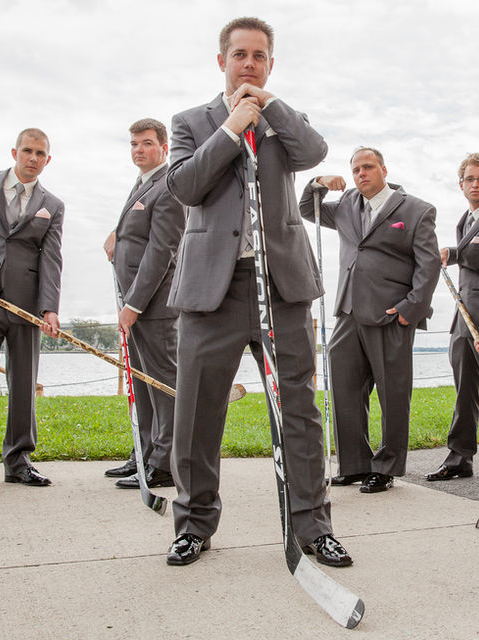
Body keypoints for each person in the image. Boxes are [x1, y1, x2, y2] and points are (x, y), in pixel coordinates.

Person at [165, 16, 352, 568]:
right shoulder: (189, 122)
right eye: (240, 54)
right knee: (196, 413)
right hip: (211, 291)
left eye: (260, 56)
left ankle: (314, 526)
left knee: (297, 407)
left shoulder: (283, 122)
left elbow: (314, 151)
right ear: (221, 60)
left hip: (282, 286)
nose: (249, 63)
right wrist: (229, 129)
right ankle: (194, 523)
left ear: (270, 64)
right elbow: (185, 185)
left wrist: (266, 109)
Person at [300, 147, 440, 493]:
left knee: (393, 395)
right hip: (348, 312)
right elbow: (306, 209)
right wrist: (318, 182)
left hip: (392, 315)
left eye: (368, 167)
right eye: (356, 169)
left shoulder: (416, 210)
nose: (362, 173)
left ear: (383, 169)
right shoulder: (347, 204)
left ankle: (387, 466)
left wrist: (411, 309)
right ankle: (355, 464)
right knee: (344, 388)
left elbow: (429, 264)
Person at [103, 119, 185, 489]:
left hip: (154, 305)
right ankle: (145, 452)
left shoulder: (166, 185)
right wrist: (117, 235)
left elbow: (162, 250)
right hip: (135, 305)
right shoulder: (142, 184)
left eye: (147, 143)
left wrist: (134, 304)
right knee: (142, 381)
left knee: (163, 384)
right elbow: (138, 230)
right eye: (134, 143)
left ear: (164, 148)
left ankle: (165, 463)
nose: (139, 149)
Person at [0, 128, 64, 486]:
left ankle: (18, 461)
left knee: (23, 384)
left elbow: (52, 259)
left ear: (47, 159)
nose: (33, 158)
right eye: (27, 151)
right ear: (14, 152)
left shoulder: (52, 205)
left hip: (26, 305)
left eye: (40, 153)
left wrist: (49, 308)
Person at [426, 153, 479, 481]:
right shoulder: (465, 219)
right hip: (465, 318)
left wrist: (454, 253)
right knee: (465, 390)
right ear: (461, 185)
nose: (477, 184)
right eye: (471, 179)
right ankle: (460, 457)